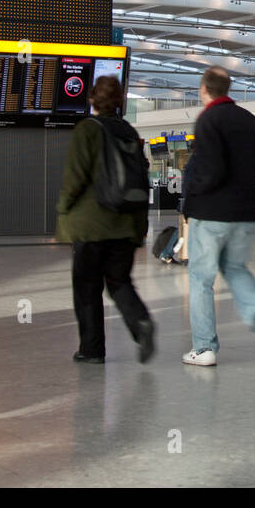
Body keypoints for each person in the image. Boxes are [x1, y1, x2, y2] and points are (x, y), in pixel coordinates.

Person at [181, 66, 255, 367]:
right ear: (227, 88)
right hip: (243, 212)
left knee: (201, 278)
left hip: (211, 212)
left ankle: (204, 348)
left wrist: (194, 194)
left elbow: (209, 170)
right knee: (236, 268)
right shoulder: (248, 119)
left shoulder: (207, 120)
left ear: (204, 89)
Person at [56, 75, 155, 365]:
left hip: (91, 225)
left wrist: (63, 208)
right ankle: (140, 322)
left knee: (87, 287)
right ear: (120, 102)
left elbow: (75, 176)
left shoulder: (88, 129)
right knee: (119, 281)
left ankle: (91, 349)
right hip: (126, 224)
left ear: (91, 100)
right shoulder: (128, 130)